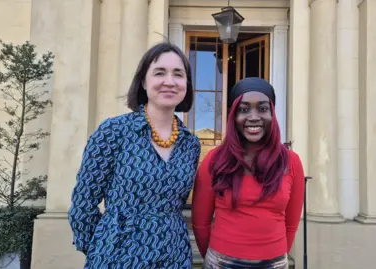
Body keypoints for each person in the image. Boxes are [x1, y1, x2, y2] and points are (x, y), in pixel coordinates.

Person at [68, 42, 201, 269]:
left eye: (178, 74)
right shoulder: (114, 131)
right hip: (118, 257)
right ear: (143, 81)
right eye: (159, 73)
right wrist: (101, 247)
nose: (169, 81)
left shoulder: (191, 144)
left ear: (186, 84)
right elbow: (83, 204)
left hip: (174, 256)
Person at [191, 77, 305, 269]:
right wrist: (213, 258)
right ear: (233, 116)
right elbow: (200, 223)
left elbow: (292, 224)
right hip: (221, 263)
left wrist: (276, 256)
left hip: (274, 263)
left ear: (272, 115)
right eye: (244, 110)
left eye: (262, 108)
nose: (253, 116)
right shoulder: (215, 160)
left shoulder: (291, 162)